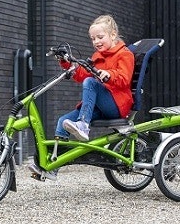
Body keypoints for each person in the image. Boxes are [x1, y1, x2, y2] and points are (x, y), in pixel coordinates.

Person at [29, 14, 135, 180]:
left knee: (90, 83)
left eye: (100, 37)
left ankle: (83, 125)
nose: (96, 42)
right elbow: (81, 74)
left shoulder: (125, 54)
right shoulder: (97, 57)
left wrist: (108, 74)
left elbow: (124, 78)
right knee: (63, 122)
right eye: (93, 39)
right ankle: (53, 168)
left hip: (116, 105)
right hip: (100, 107)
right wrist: (65, 63)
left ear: (113, 35)